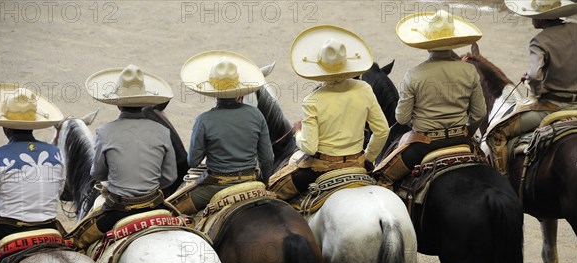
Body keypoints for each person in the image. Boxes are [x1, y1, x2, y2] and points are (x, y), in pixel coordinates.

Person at [268, 25, 390, 201]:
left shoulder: (312, 100)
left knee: (272, 194)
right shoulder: (364, 89)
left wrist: (298, 133)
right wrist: (368, 158)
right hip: (357, 163)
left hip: (321, 167)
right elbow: (382, 131)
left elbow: (310, 147)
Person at [68, 64, 178, 250]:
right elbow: (170, 176)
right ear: (144, 101)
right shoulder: (162, 131)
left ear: (118, 103)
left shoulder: (104, 132)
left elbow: (98, 174)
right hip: (154, 205)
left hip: (118, 211)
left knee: (77, 242)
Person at [373, 10, 486, 187]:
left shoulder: (414, 75)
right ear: (453, 41)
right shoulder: (469, 71)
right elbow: (479, 113)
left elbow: (401, 118)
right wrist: (467, 133)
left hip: (424, 145)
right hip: (462, 140)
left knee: (381, 179)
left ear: (426, 44)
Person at [168, 51, 273, 214]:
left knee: (174, 211)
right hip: (251, 181)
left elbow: (194, 161)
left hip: (215, 186)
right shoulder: (256, 114)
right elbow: (268, 158)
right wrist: (264, 181)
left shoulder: (204, 120)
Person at [484, 0, 577, 174]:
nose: (531, 19)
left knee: (496, 134)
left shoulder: (540, 41)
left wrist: (537, 92)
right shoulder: (576, 29)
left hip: (552, 108)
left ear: (542, 19)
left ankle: (504, 181)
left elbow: (536, 76)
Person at [0, 84, 65, 256]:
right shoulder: (56, 153)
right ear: (34, 125)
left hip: (7, 230)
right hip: (48, 227)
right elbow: (59, 189)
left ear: (5, 128)